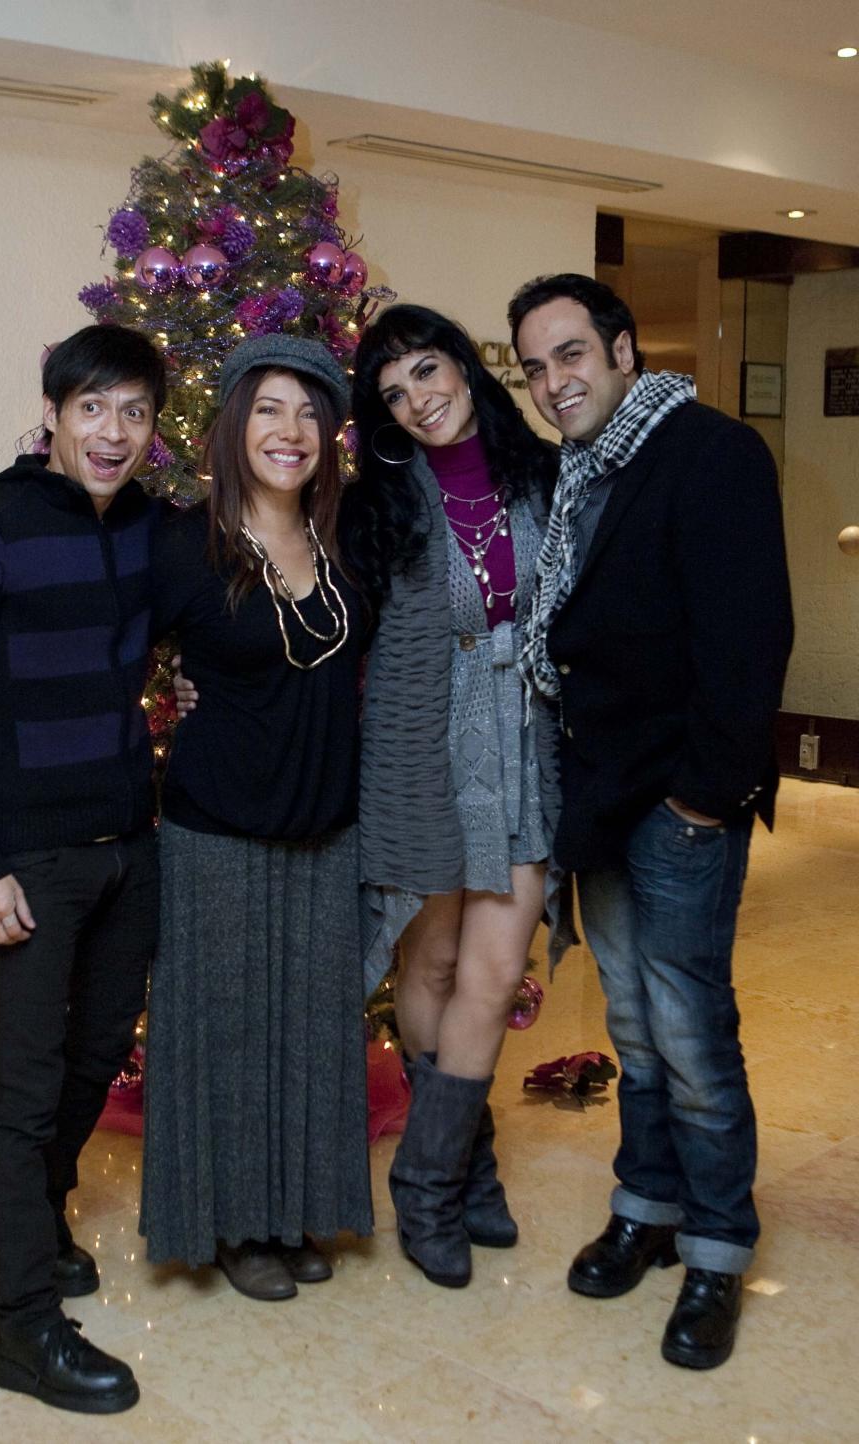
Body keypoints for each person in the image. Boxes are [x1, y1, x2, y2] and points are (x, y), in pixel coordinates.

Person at [508, 273, 794, 1369]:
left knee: (690, 1036)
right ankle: (648, 1207)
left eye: (570, 354)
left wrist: (701, 800)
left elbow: (750, 639)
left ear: (623, 347)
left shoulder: (708, 453)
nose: (553, 382)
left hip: (676, 803)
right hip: (603, 799)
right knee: (632, 1027)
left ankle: (718, 1251)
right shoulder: (582, 471)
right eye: (534, 367)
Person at [0, 325, 167, 1413]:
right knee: (22, 1084)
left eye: (134, 412)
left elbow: (163, 655)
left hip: (127, 846)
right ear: (54, 413)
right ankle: (21, 1324)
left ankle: (45, 1222)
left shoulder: (152, 527)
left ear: (154, 426)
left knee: (96, 1055)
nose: (112, 432)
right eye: (92, 408)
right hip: (31, 862)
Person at [139, 334, 373, 1300]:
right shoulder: (182, 543)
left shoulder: (343, 535)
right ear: (235, 422)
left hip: (325, 828)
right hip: (218, 832)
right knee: (230, 1034)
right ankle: (235, 1228)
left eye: (310, 412)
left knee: (311, 1032)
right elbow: (107, 657)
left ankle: (290, 1214)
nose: (292, 430)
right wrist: (169, 696)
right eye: (270, 409)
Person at [346, 303, 569, 1290]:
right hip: (422, 756)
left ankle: (425, 1184)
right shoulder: (377, 505)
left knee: (491, 970)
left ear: (467, 370)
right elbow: (330, 633)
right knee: (429, 969)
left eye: (427, 373)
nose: (418, 402)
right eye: (394, 395)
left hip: (527, 751)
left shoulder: (549, 477)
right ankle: (470, 1168)